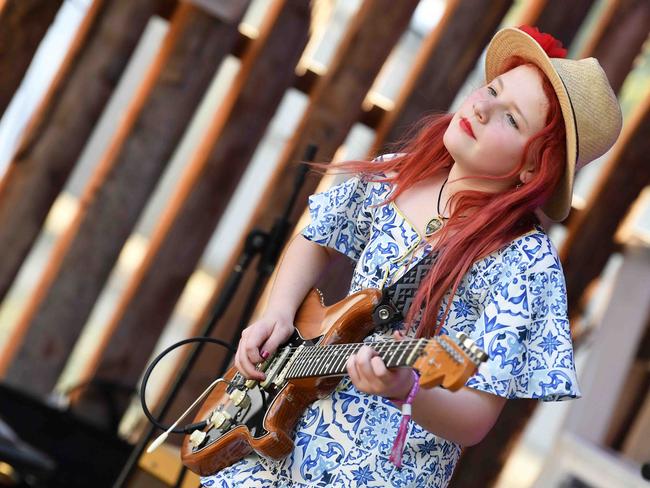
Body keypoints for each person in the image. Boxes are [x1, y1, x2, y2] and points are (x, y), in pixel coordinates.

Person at [200, 25, 622, 487]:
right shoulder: (403, 174)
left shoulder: (524, 266)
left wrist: (407, 389)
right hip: (279, 438)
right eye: (491, 90)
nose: (481, 108)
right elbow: (316, 235)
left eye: (511, 119)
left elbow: (476, 417)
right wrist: (278, 314)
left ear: (532, 168)